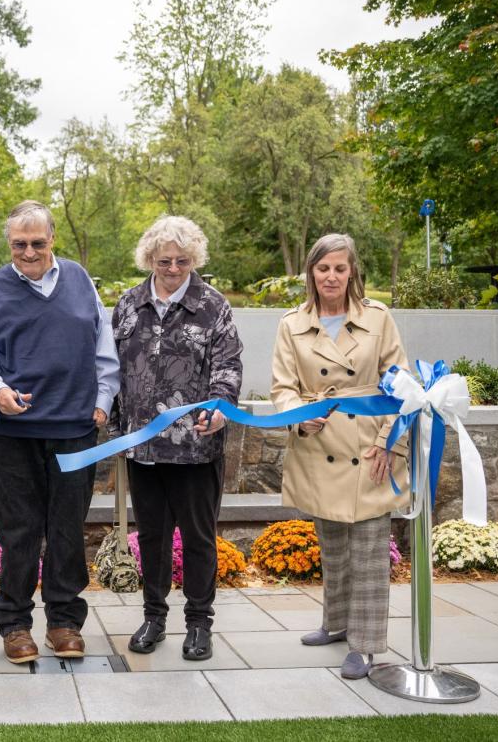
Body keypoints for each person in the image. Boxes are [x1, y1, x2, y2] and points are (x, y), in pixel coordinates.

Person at [0, 200, 119, 664]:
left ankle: (65, 621)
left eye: (37, 243)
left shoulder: (80, 281)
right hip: (12, 432)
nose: (28, 252)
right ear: (9, 243)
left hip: (74, 429)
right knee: (19, 531)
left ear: (52, 240)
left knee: (68, 528)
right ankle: (15, 624)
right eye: (19, 244)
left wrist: (103, 400)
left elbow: (102, 345)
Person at [270, 233, 409, 680]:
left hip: (371, 445)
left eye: (340, 268)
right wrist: (298, 419)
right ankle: (336, 623)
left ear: (353, 273)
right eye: (323, 268)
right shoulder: (290, 324)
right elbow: (283, 387)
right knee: (332, 542)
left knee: (369, 548)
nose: (331, 276)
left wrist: (392, 443)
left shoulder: (379, 318)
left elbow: (401, 385)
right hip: (320, 443)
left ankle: (366, 645)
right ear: (311, 271)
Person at [110, 216, 243, 661]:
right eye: (164, 260)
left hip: (196, 449)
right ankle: (154, 617)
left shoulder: (214, 306)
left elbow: (227, 368)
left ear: (194, 260)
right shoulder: (128, 305)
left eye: (182, 261)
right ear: (149, 258)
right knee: (152, 536)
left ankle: (200, 623)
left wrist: (219, 409)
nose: (172, 268)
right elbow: (112, 369)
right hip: (143, 449)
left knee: (199, 538)